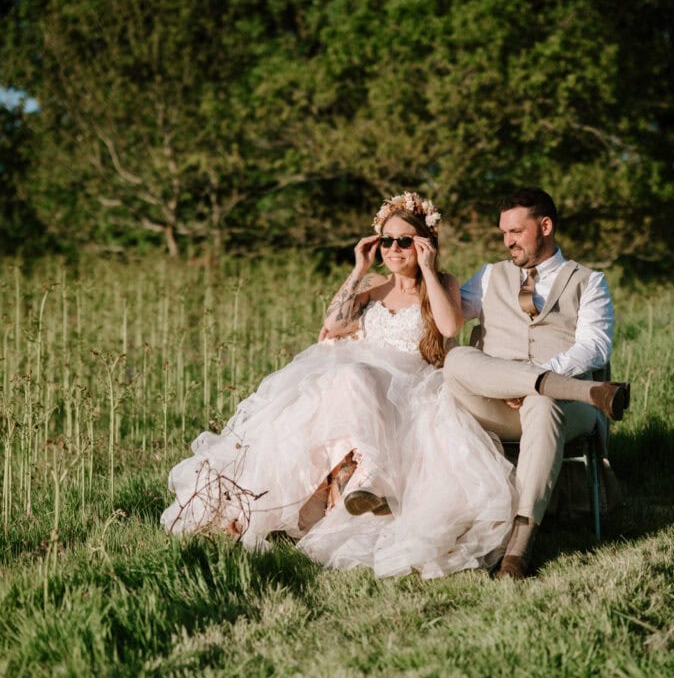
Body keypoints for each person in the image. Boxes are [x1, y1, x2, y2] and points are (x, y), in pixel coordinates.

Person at [161, 193, 516, 579]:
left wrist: (429, 269)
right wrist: (359, 267)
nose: (394, 249)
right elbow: (333, 321)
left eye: (404, 241)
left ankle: (361, 490)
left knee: (352, 379)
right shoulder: (376, 285)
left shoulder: (441, 283)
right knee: (328, 392)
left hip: (408, 386)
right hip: (356, 382)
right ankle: (278, 512)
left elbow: (449, 327)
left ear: (424, 243)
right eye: (386, 241)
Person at [444, 186, 630, 580]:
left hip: (568, 410)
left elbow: (595, 347)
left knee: (543, 404)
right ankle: (574, 389)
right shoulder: (490, 275)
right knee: (457, 357)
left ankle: (519, 548)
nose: (508, 241)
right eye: (503, 233)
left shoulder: (589, 281)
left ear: (544, 226)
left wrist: (534, 384)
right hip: (500, 405)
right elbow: (449, 316)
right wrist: (421, 267)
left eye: (516, 231)